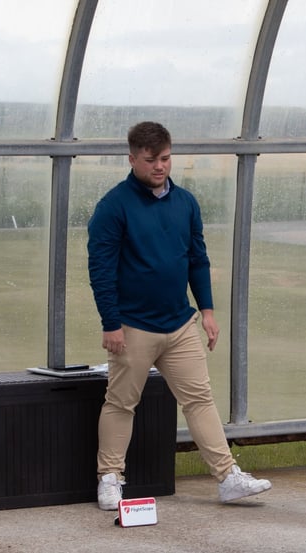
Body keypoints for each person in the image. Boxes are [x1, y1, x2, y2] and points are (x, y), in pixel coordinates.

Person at [87, 121, 271, 510]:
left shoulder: (186, 203)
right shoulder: (113, 207)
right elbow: (100, 271)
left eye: (166, 158)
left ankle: (228, 479)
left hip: (180, 323)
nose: (160, 167)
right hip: (132, 327)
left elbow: (197, 259)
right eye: (151, 160)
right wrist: (111, 323)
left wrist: (206, 311)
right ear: (132, 158)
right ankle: (109, 479)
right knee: (121, 403)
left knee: (200, 399)